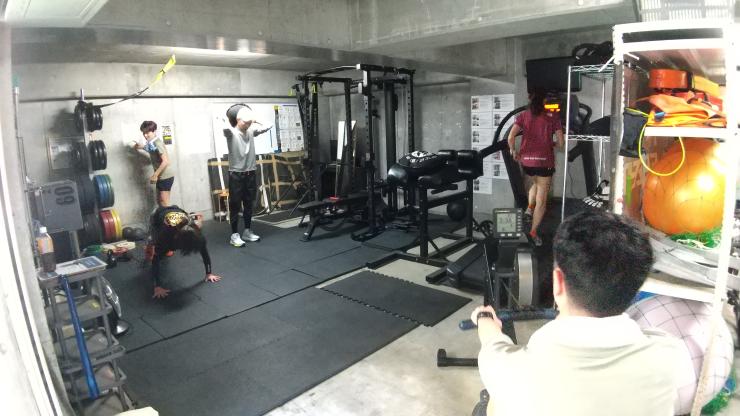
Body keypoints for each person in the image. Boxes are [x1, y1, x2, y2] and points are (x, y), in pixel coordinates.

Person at [470, 210, 681, 416]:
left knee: (489, 404)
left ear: (558, 282)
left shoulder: (511, 371)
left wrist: (484, 318)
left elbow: (493, 344)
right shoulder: (669, 354)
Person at [507, 90, 564, 246]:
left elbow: (510, 137)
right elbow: (561, 143)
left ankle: (529, 209)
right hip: (544, 163)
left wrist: (513, 151)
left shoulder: (523, 116)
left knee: (534, 183)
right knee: (542, 199)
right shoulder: (553, 117)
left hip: (527, 162)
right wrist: (552, 144)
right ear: (544, 101)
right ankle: (533, 232)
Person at [223, 106, 272, 247]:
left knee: (249, 204)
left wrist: (254, 120)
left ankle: (247, 231)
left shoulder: (251, 131)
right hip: (236, 175)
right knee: (235, 205)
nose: (248, 125)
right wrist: (228, 118)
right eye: (245, 122)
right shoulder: (231, 133)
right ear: (238, 120)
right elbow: (225, 129)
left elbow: (269, 125)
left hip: (250, 173)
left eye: (250, 122)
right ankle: (234, 235)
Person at [147, 205, 221, 299]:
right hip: (157, 215)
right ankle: (151, 247)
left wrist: (209, 273)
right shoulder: (165, 235)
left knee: (167, 249)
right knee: (152, 248)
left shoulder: (197, 233)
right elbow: (155, 259)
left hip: (176, 210)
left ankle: (167, 250)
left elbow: (204, 252)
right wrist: (157, 286)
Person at [130, 121, 174, 206]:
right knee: (160, 201)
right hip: (161, 176)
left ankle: (169, 214)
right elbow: (151, 149)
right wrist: (140, 146)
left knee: (164, 203)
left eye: (147, 132)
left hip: (166, 176)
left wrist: (155, 175)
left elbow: (165, 161)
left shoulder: (157, 143)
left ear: (154, 131)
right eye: (144, 133)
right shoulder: (152, 142)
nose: (145, 135)